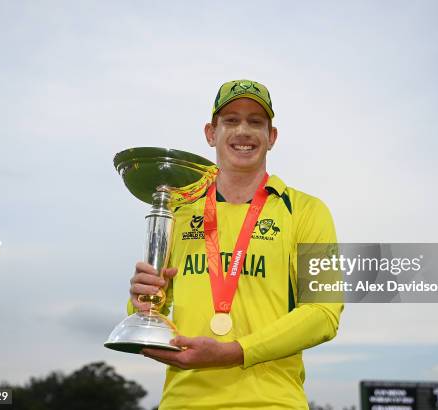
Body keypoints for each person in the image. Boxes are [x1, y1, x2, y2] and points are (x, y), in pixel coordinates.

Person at [128, 79, 343, 409]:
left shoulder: (307, 211)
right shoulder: (179, 211)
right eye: (231, 120)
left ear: (271, 137)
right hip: (183, 401)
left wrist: (236, 351)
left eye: (255, 122)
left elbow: (322, 314)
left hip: (272, 402)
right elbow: (153, 310)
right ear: (210, 133)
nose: (243, 130)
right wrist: (141, 302)